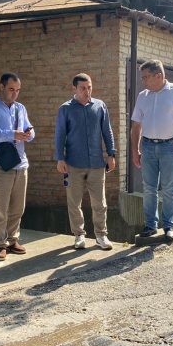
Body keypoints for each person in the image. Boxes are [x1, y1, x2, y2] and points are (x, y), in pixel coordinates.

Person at [130, 59, 173, 241]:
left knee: (168, 188)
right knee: (149, 188)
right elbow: (136, 125)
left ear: (158, 76)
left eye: (146, 77)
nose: (143, 81)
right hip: (148, 146)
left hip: (170, 147)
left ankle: (168, 226)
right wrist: (135, 151)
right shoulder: (143, 96)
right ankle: (150, 226)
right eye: (142, 77)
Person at [54, 73, 116, 250]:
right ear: (74, 88)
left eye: (89, 87)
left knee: (100, 203)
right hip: (73, 164)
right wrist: (60, 158)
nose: (87, 91)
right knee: (74, 202)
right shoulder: (65, 109)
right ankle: (79, 235)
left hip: (97, 163)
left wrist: (111, 154)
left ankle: (101, 235)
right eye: (83, 88)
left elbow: (107, 131)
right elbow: (60, 135)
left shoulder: (100, 106)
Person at [0, 73, 35, 261]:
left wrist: (29, 133)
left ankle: (12, 240)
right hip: (0, 164)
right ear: (1, 87)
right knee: (0, 208)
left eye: (18, 90)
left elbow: (29, 129)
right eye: (11, 89)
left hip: (21, 163)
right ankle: (0, 244)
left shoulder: (20, 108)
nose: (15, 94)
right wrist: (12, 134)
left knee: (18, 207)